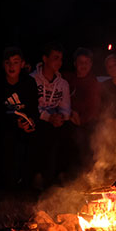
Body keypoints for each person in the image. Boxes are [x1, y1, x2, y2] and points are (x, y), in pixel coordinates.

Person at [0, 46, 40, 188]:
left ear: (22, 64)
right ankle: (7, 182)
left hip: (24, 123)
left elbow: (34, 108)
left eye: (15, 62)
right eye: (8, 62)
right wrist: (14, 123)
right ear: (3, 64)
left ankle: (29, 181)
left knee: (36, 137)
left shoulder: (29, 82)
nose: (11, 66)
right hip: (3, 125)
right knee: (7, 138)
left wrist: (31, 121)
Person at [30, 44, 74, 186]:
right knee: (42, 132)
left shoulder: (63, 84)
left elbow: (65, 107)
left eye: (61, 59)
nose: (59, 62)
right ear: (45, 59)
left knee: (67, 131)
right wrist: (48, 117)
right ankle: (39, 176)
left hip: (55, 119)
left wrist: (61, 117)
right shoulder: (32, 80)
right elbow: (31, 106)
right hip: (38, 118)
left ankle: (62, 174)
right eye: (55, 58)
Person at [63, 47, 101, 171]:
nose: (83, 65)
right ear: (75, 63)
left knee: (88, 135)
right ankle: (69, 173)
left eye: (86, 62)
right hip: (68, 117)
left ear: (91, 64)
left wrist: (82, 120)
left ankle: (87, 172)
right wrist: (69, 114)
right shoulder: (67, 78)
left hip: (86, 121)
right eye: (80, 62)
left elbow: (94, 107)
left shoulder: (92, 82)